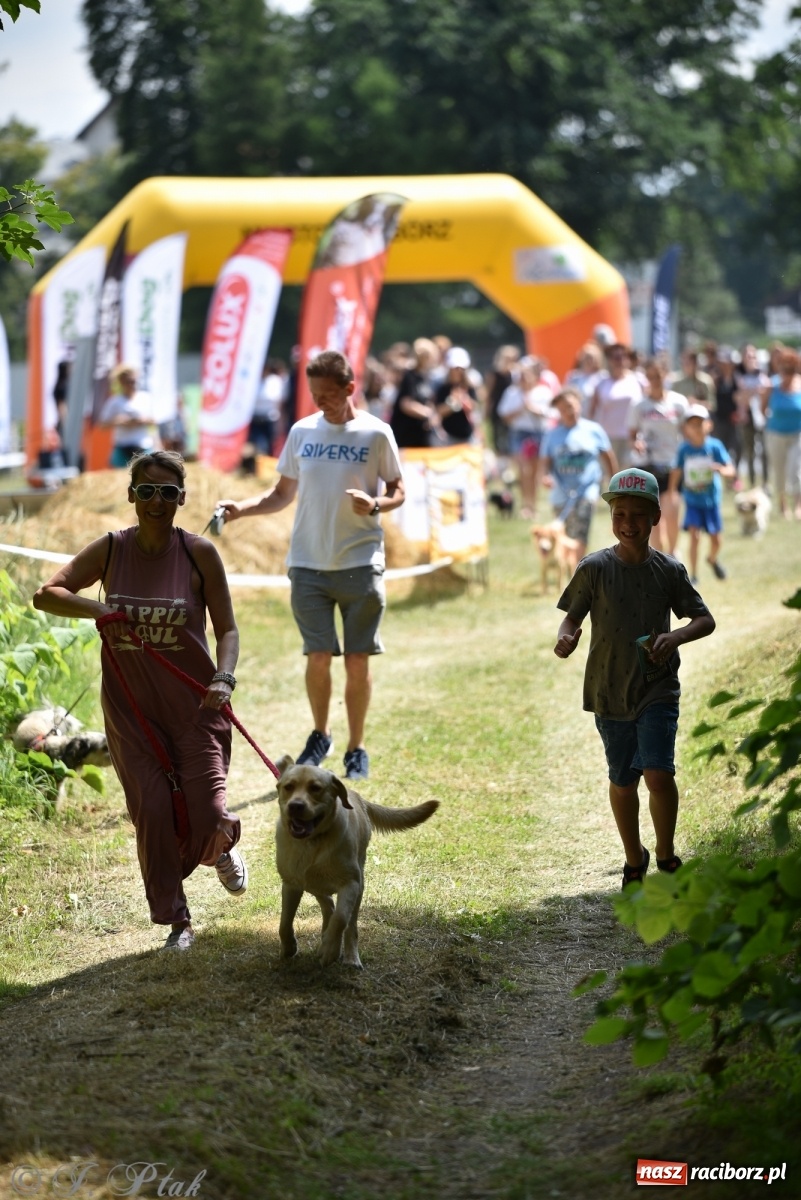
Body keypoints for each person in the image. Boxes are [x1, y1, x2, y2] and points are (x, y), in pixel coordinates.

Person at [32, 450, 245, 952]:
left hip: (196, 707)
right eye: (146, 490)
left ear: (182, 499)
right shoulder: (110, 550)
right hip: (132, 712)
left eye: (167, 492)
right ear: (131, 495)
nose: (156, 500)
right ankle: (178, 922)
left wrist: (225, 676)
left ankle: (218, 851)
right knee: (152, 813)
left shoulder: (198, 553)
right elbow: (47, 594)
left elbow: (228, 629)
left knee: (209, 813)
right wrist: (99, 609)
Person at [218, 350, 405, 782]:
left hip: (360, 561)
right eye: (314, 395)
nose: (320, 403)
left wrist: (376, 503)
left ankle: (357, 747)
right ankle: (321, 734)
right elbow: (281, 493)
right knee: (318, 657)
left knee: (357, 662)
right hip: (307, 563)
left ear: (349, 388)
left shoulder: (376, 434)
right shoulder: (303, 432)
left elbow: (399, 489)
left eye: (327, 395)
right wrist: (239, 509)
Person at [554, 468, 716, 889]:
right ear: (610, 518)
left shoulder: (668, 570)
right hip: (609, 689)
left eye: (638, 515)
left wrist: (676, 636)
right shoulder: (594, 568)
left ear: (656, 518)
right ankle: (634, 858)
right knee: (623, 781)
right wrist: (566, 636)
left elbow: (704, 619)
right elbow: (572, 616)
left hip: (657, 686)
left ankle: (665, 855)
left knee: (658, 774)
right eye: (620, 513)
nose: (628, 523)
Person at [540, 388, 617, 573]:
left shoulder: (593, 430)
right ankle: (570, 569)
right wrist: (546, 476)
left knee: (580, 531)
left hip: (586, 490)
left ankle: (578, 572)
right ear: (558, 411)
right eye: (563, 408)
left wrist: (614, 481)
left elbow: (608, 456)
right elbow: (545, 463)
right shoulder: (552, 435)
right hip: (561, 492)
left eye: (572, 406)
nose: (569, 411)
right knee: (565, 534)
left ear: (579, 406)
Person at [628, 358, 689, 554]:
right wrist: (636, 443)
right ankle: (658, 556)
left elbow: (687, 431)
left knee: (671, 512)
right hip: (648, 464)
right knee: (652, 516)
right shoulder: (639, 405)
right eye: (651, 377)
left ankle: (673, 553)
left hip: (673, 464)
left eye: (659, 376)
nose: (655, 381)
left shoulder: (678, 402)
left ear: (666, 376)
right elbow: (632, 433)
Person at [668, 406, 736, 584]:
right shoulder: (684, 449)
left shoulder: (715, 446)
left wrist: (720, 469)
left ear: (709, 425)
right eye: (692, 424)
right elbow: (676, 470)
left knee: (716, 540)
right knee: (694, 536)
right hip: (692, 500)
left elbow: (731, 470)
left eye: (700, 423)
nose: (697, 427)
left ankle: (712, 559)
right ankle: (694, 575)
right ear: (686, 428)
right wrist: (672, 490)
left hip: (711, 500)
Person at [497, 356, 552, 519]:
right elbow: (504, 415)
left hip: (538, 434)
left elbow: (548, 413)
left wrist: (532, 409)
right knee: (524, 470)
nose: (523, 379)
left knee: (535, 472)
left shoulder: (543, 392)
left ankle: (532, 504)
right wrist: (521, 409)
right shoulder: (512, 393)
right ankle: (525, 505)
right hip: (519, 434)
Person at [760, 349, 801, 519]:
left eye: (792, 370)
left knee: (797, 469)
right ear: (780, 369)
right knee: (779, 471)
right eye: (785, 370)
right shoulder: (771, 385)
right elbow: (763, 409)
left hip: (797, 435)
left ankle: (798, 505)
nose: (788, 374)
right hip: (775, 434)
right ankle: (783, 504)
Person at [589, 343, 642, 469]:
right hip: (607, 437)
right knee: (609, 476)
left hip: (631, 437)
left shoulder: (638, 380)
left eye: (624, 356)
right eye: (616, 357)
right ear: (609, 360)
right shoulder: (601, 382)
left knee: (627, 477)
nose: (620, 360)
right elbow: (592, 411)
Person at [98, 363, 159, 468]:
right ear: (121, 382)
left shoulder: (146, 398)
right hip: (122, 447)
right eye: (129, 382)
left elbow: (155, 420)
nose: (132, 384)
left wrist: (142, 420)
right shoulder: (114, 402)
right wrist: (118, 421)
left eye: (134, 381)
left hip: (143, 446)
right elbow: (102, 425)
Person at [389, 337, 440, 448]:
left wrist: (433, 415)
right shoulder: (410, 376)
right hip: (406, 434)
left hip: (421, 435)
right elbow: (406, 404)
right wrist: (427, 413)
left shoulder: (425, 377)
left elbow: (427, 400)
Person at [434, 347, 480, 444]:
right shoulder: (443, 388)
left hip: (468, 435)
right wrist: (452, 403)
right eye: (455, 368)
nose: (458, 371)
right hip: (448, 437)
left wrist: (464, 400)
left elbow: (474, 407)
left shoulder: (469, 387)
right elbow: (439, 411)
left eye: (461, 368)